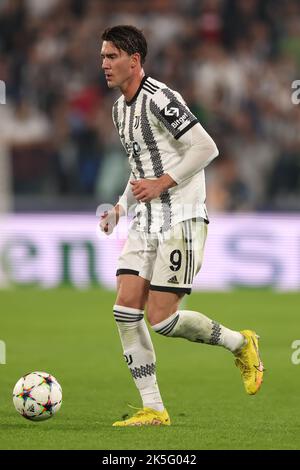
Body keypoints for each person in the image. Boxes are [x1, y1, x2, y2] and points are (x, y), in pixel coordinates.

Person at [99, 25, 264, 427]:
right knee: (124, 311)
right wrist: (120, 207)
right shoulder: (119, 109)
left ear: (134, 61)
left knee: (163, 320)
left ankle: (241, 343)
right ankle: (154, 408)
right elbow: (140, 168)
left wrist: (162, 184)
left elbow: (207, 147)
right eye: (102, 56)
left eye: (111, 56)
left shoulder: (161, 99)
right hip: (146, 220)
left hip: (182, 217)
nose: (103, 64)